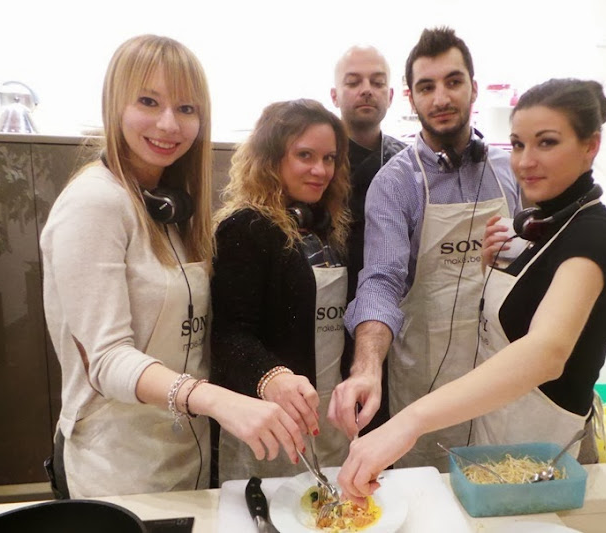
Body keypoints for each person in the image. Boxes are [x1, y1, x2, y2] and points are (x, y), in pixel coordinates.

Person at [336, 78, 606, 500]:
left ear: (591, 145)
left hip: (551, 459)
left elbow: (546, 352)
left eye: (547, 143)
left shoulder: (595, 235)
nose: (525, 161)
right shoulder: (544, 228)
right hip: (501, 446)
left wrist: (409, 421)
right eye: (518, 144)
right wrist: (491, 269)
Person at [40, 35, 304, 499]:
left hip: (185, 453)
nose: (169, 124)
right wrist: (216, 400)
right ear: (115, 104)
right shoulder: (94, 204)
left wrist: (269, 377)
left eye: (186, 108)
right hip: (117, 464)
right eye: (148, 102)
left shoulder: (173, 208)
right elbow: (107, 359)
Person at [329, 27, 522, 471]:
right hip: (426, 379)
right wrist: (366, 367)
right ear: (411, 99)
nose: (441, 98)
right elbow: (381, 280)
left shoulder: (509, 170)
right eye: (426, 87)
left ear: (474, 88)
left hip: (502, 370)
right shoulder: (395, 183)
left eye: (453, 82)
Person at [211, 99, 352, 481]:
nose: (320, 170)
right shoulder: (246, 228)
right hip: (270, 415)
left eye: (329, 158)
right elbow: (228, 335)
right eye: (305, 155)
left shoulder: (327, 228)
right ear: (272, 158)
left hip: (327, 409)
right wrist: (272, 376)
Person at [330, 45, 406, 435]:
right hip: (323, 312)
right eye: (354, 82)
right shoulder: (318, 159)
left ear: (390, 96)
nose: (366, 90)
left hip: (387, 318)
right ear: (335, 95)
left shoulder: (407, 164)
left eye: (377, 83)